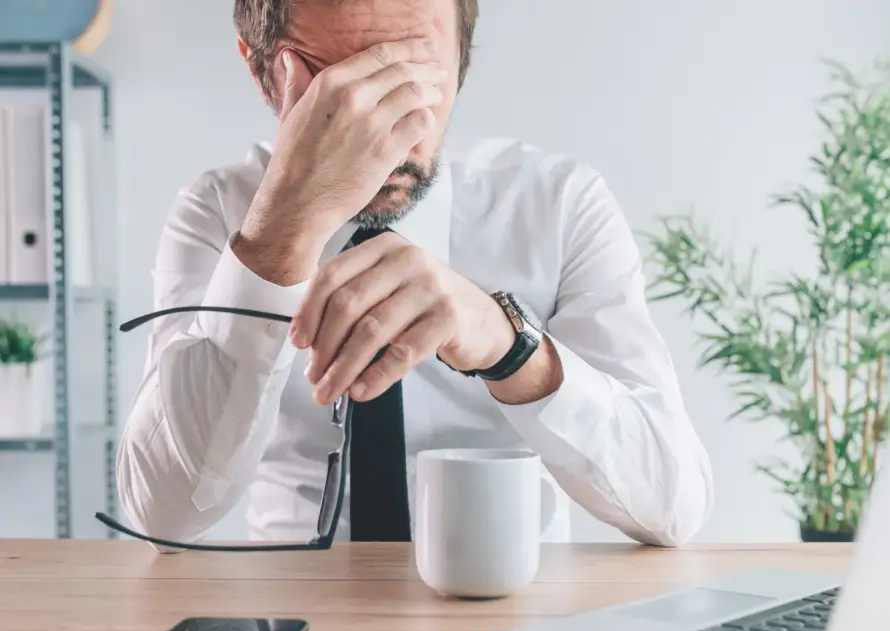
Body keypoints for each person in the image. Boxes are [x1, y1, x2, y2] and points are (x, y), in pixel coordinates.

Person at [117, 0, 713, 549]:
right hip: (292, 609)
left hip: (509, 615)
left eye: (418, 77)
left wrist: (508, 345)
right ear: (260, 71)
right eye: (338, 91)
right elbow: (163, 514)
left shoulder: (557, 205)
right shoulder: (219, 212)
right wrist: (279, 236)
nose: (388, 132)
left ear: (462, 60)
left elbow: (673, 505)